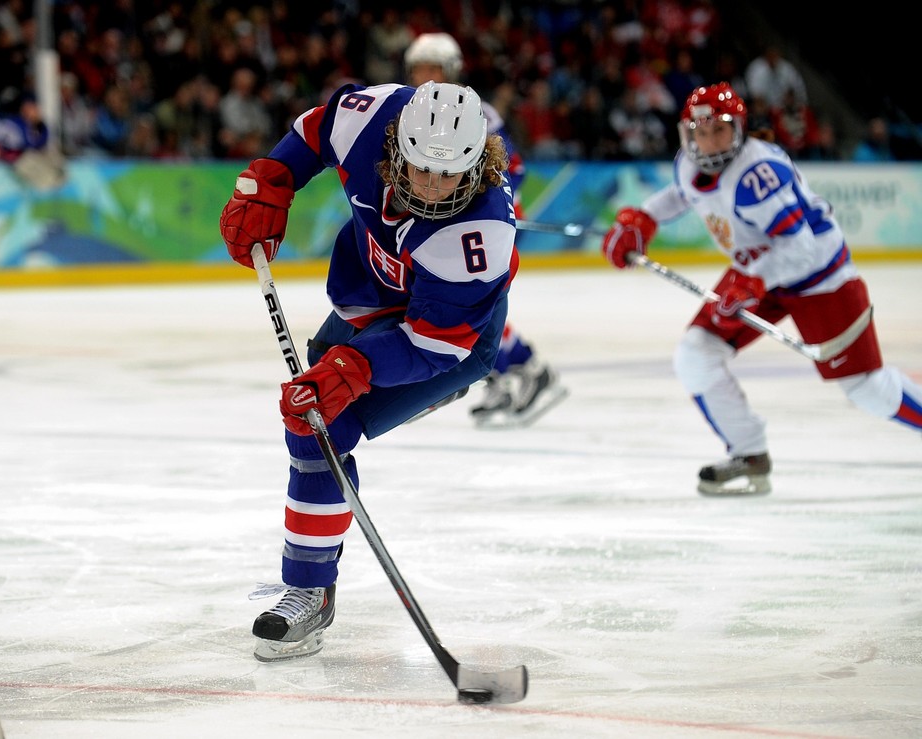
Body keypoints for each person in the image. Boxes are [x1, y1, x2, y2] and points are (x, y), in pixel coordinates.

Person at [219, 80, 517, 660]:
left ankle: (306, 588)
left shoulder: (478, 236)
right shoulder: (370, 117)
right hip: (369, 299)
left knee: (323, 422)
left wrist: (352, 368)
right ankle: (312, 587)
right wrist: (274, 180)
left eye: (449, 175)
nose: (431, 189)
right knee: (313, 421)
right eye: (419, 170)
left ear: (477, 164)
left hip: (444, 339)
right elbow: (315, 129)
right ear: (396, 145)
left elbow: (434, 343)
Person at [601, 82, 922, 496]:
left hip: (818, 279)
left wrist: (753, 280)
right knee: (696, 355)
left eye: (719, 130)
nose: (709, 141)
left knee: (868, 390)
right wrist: (643, 219)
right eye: (701, 131)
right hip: (757, 277)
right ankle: (750, 454)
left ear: (738, 130)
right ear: (688, 132)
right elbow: (681, 194)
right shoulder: (688, 162)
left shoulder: (757, 175)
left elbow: (802, 247)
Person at [403, 31, 566, 428]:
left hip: (487, 225)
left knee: (473, 303)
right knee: (464, 304)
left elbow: (515, 168)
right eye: (418, 68)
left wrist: (487, 203)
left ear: (451, 70)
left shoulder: (477, 111)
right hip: (452, 224)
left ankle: (527, 367)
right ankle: (502, 375)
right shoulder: (412, 108)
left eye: (432, 68)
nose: (424, 76)